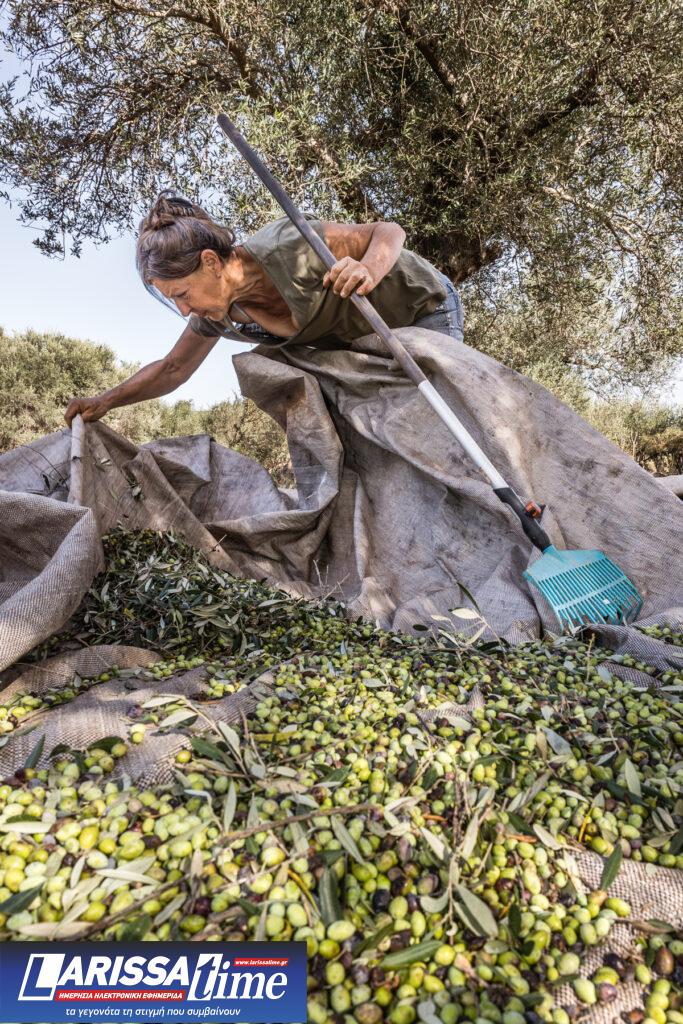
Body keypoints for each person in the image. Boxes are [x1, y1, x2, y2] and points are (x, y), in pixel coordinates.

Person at [65, 192, 464, 426]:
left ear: (210, 262)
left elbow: (387, 232)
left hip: (419, 308)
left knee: (438, 423)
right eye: (174, 301)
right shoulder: (218, 313)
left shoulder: (287, 246)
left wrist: (367, 269)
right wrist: (106, 401)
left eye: (182, 293)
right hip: (368, 341)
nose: (185, 309)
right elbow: (174, 369)